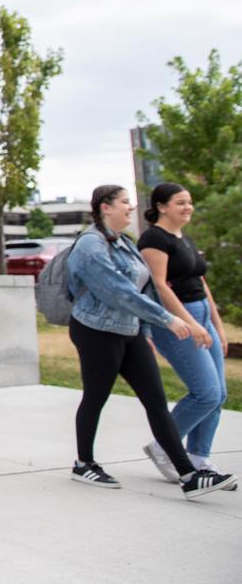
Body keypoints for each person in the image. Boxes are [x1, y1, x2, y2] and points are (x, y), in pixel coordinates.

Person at [65, 184, 235, 498]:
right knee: (96, 396)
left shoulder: (124, 243)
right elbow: (118, 292)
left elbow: (145, 290)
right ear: (105, 207)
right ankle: (83, 463)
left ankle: (188, 475)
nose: (131, 207)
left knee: (156, 402)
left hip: (130, 331)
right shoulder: (90, 245)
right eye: (125, 202)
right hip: (96, 331)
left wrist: (146, 331)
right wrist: (169, 320)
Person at [137, 182, 231, 484]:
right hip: (176, 322)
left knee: (219, 395)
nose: (188, 207)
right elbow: (161, 286)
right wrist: (190, 323)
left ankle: (199, 457)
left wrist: (216, 325)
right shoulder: (153, 239)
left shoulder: (183, 238)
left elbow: (201, 283)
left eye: (189, 202)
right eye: (180, 203)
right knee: (206, 393)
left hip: (201, 315)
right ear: (162, 206)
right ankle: (165, 445)